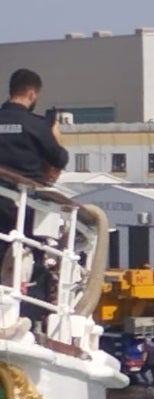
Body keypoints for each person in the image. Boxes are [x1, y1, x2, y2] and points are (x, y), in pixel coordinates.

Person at [0, 69, 69, 322]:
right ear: (32, 93)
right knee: (28, 260)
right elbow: (59, 158)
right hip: (23, 209)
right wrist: (55, 136)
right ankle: (25, 318)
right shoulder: (36, 126)